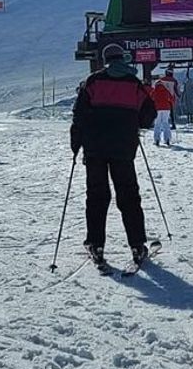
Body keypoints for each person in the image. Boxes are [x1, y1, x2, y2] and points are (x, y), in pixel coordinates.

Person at [69, 43, 157, 268]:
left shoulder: (94, 82)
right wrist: (133, 124)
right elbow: (149, 113)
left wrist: (76, 145)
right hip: (123, 149)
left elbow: (79, 115)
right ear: (123, 58)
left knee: (97, 196)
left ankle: (96, 244)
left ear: (105, 59)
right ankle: (137, 244)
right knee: (128, 195)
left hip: (95, 149)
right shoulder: (133, 83)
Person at [150, 79, 174, 147]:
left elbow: (150, 98)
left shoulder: (154, 91)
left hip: (157, 108)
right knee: (165, 123)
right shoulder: (166, 91)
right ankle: (167, 139)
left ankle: (157, 139)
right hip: (166, 109)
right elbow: (171, 99)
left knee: (157, 124)